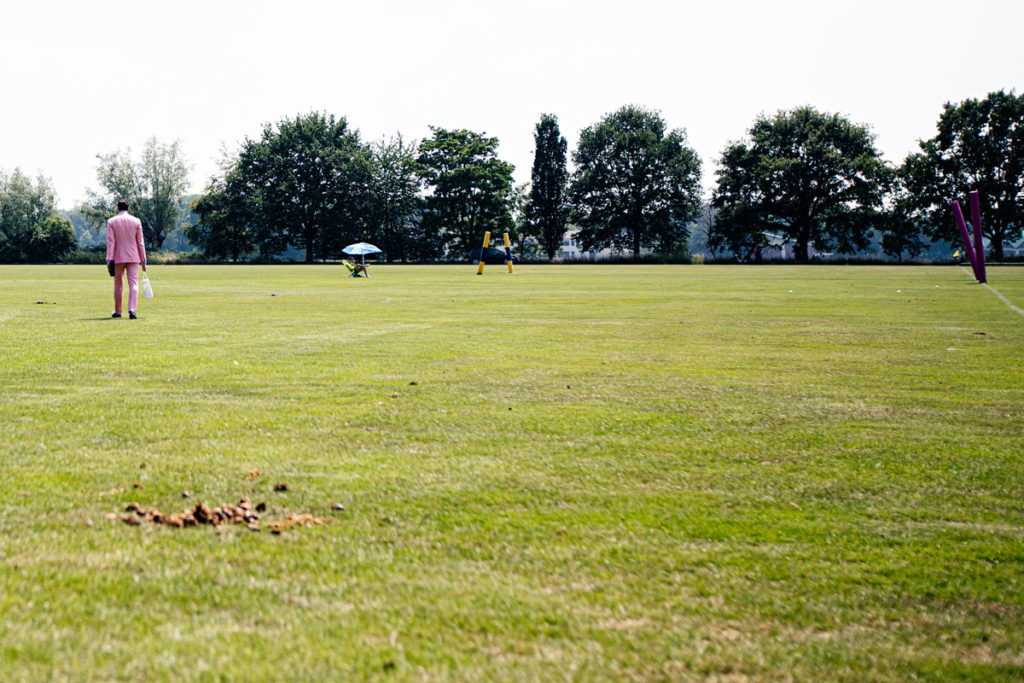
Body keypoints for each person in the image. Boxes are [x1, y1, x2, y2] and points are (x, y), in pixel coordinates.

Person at [106, 199, 147, 319]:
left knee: (118, 284)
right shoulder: (136, 221)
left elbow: (111, 243)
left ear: (118, 208)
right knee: (133, 283)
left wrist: (109, 259)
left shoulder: (111, 222)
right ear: (128, 209)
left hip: (118, 257)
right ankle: (132, 310)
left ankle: (118, 311)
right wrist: (143, 260)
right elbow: (140, 242)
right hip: (134, 256)